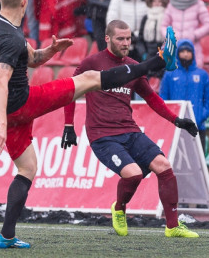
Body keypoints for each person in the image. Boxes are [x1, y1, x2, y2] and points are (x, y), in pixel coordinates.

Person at [0, 0, 180, 249]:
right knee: (88, 79)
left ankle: (6, 236)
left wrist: (50, 51)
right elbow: (2, 78)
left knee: (27, 169)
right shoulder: (12, 36)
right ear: (25, 2)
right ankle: (157, 61)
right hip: (19, 105)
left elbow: (29, 58)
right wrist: (2, 126)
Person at [61, 20, 199, 238]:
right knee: (133, 174)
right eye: (120, 39)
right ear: (107, 39)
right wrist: (69, 125)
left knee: (164, 166)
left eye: (128, 39)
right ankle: (119, 208)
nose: (126, 43)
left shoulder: (134, 66)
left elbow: (151, 98)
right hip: (102, 136)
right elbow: (69, 90)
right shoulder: (91, 62)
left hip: (130, 131)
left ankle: (172, 226)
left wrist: (177, 121)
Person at [160, 39, 209, 150]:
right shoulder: (169, 74)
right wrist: (172, 119)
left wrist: (200, 117)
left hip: (197, 126)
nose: (185, 54)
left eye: (188, 51)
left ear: (193, 53)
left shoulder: (202, 75)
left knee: (198, 163)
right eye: (182, 51)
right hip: (175, 127)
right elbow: (163, 98)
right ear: (177, 53)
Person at [161, 0, 209, 67]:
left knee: (193, 72)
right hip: (175, 47)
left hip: (192, 46)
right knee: (175, 75)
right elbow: (163, 26)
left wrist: (194, 35)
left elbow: (208, 25)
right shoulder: (171, 5)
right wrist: (171, 36)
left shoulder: (198, 4)